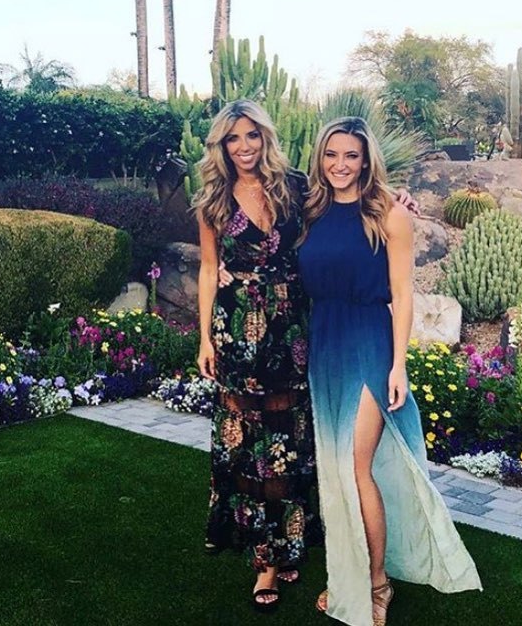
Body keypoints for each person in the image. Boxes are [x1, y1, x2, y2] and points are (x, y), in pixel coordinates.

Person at [297, 117, 481, 626]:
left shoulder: (388, 214)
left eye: (351, 155)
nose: (340, 164)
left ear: (366, 161)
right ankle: (349, 572)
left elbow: (403, 294)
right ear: (320, 157)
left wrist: (398, 365)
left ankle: (377, 582)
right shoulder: (308, 210)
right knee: (335, 469)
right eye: (331, 154)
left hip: (369, 345)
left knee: (354, 467)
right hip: (324, 344)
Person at [195, 99, 316, 612]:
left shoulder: (296, 187)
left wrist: (395, 200)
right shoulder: (213, 201)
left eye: (251, 135)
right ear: (221, 146)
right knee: (248, 443)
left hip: (290, 327)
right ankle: (264, 560)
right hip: (237, 327)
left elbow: (348, 205)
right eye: (232, 138)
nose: (243, 147)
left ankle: (289, 542)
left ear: (265, 136)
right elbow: (208, 269)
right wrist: (204, 339)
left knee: (288, 437)